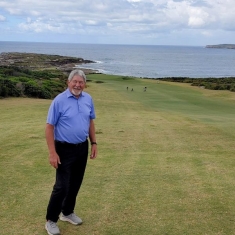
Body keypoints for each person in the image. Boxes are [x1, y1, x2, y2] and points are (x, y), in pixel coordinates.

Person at [45, 69, 98, 235]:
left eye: (81, 82)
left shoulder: (88, 99)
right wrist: (52, 153)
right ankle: (51, 220)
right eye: (74, 81)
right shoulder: (59, 101)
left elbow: (90, 121)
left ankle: (67, 213)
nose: (77, 84)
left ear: (84, 84)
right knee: (61, 186)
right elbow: (49, 127)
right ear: (68, 83)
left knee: (75, 183)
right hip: (63, 148)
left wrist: (94, 142)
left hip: (82, 147)